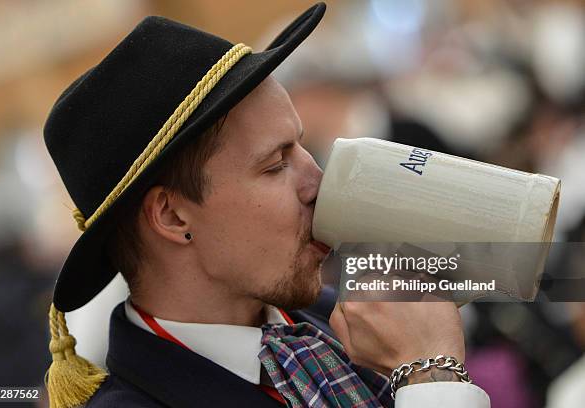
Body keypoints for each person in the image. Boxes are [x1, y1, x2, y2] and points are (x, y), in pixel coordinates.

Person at [42, 3, 490, 407]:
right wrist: (431, 375)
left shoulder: (341, 321)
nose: (319, 182)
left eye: (304, 146)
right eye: (276, 165)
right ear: (173, 216)